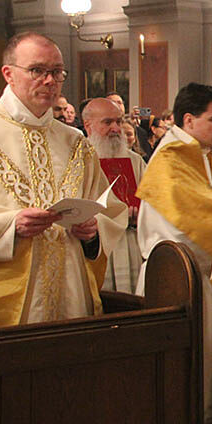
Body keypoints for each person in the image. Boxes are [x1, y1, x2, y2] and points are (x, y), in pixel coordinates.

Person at [0, 32, 127, 327]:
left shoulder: (76, 142)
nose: (49, 81)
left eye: (57, 72)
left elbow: (110, 210)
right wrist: (10, 225)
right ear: (8, 74)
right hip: (5, 302)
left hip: (71, 294)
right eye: (37, 70)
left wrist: (93, 230)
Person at [136, 82, 212, 424]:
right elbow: (190, 223)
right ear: (188, 119)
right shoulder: (172, 159)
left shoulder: (203, 156)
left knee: (211, 372)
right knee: (189, 373)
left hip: (206, 276)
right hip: (179, 280)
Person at [82, 97, 147, 293]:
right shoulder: (78, 161)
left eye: (118, 121)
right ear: (88, 125)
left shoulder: (135, 161)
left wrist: (142, 213)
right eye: (107, 122)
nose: (116, 128)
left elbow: (151, 201)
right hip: (98, 245)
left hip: (131, 243)